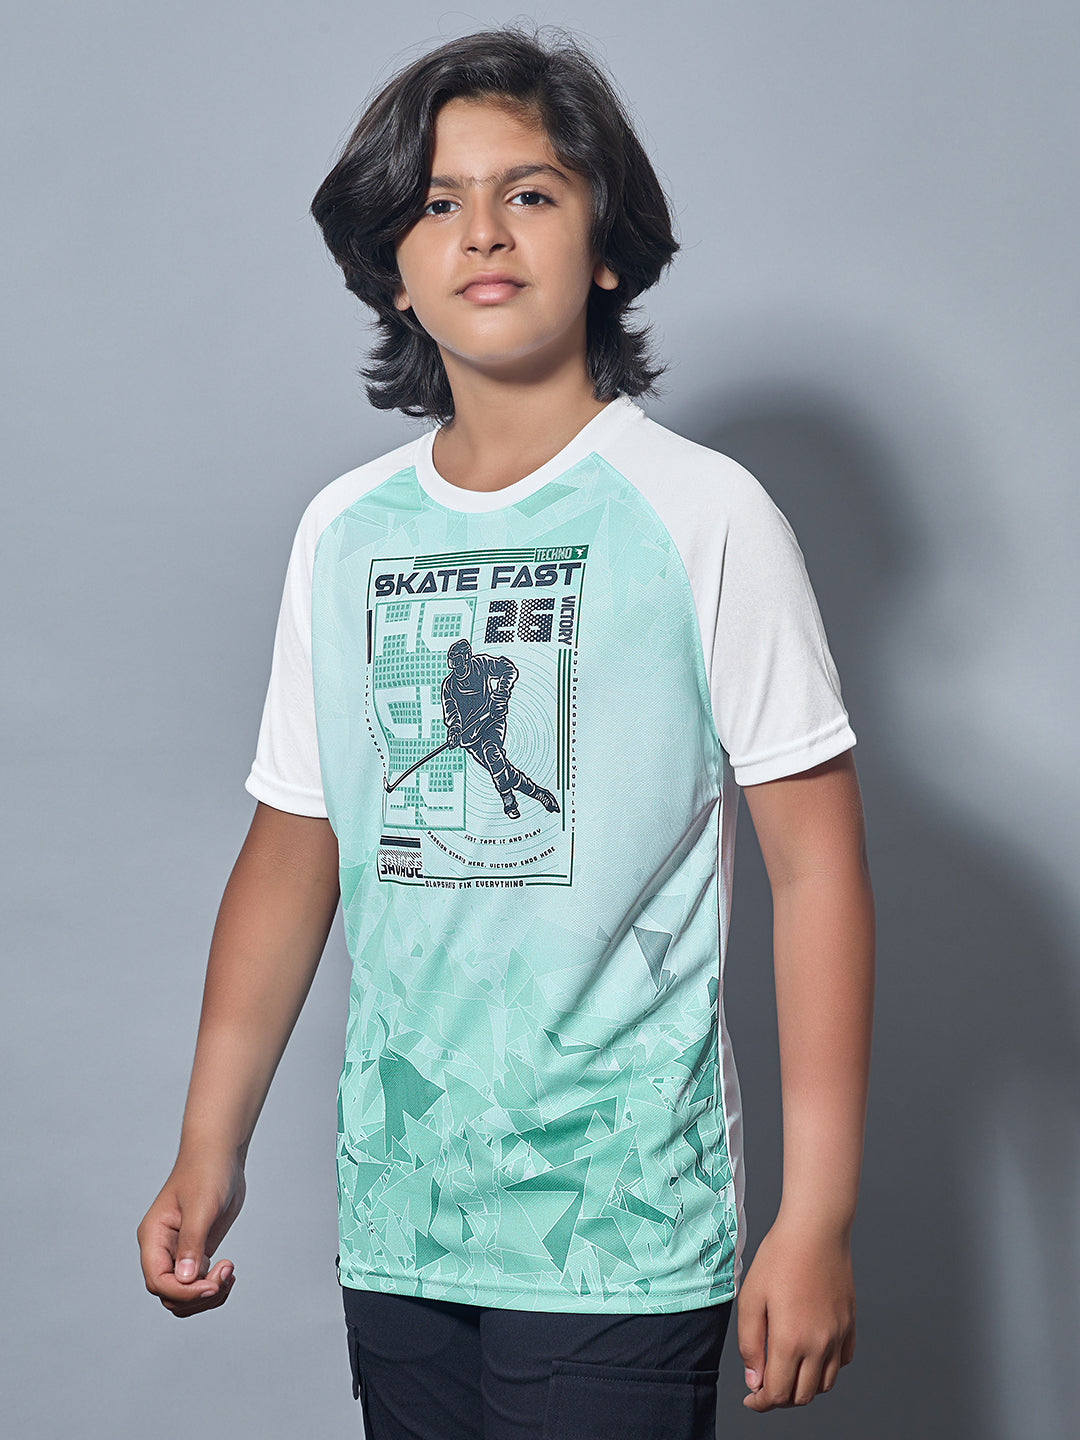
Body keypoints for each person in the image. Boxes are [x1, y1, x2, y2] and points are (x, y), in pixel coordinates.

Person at [137, 22, 875, 1438]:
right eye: (437, 202)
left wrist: (816, 1215)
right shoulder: (344, 532)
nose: (482, 230)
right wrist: (207, 1145)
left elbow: (817, 868)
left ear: (605, 246)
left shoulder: (703, 513)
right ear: (391, 270)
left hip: (621, 1225)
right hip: (402, 1218)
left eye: (529, 191)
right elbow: (294, 847)